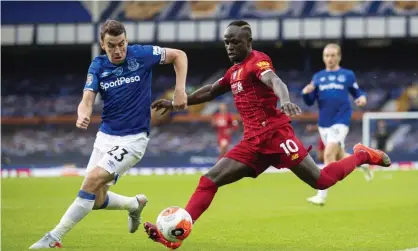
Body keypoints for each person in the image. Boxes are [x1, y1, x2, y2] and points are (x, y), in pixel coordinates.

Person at [144, 20, 391, 249]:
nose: (230, 46)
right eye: (226, 42)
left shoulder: (258, 61)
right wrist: (177, 102)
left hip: (276, 136)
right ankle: (179, 234)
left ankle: (361, 155)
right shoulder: (233, 72)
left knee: (321, 181)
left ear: (248, 43)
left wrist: (284, 100)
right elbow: (210, 91)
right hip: (252, 143)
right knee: (208, 181)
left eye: (235, 42)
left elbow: (275, 81)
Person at [29, 19, 188, 249]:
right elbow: (86, 100)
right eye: (112, 45)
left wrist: (180, 90)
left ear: (127, 41)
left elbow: (179, 55)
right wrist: (82, 113)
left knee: (91, 182)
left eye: (121, 44)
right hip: (105, 137)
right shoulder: (98, 65)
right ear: (103, 45)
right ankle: (134, 204)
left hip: (133, 139)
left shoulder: (141, 54)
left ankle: (53, 237)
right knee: (96, 199)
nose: (118, 50)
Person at [301, 43, 372, 206]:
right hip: (324, 122)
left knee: (328, 155)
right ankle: (361, 162)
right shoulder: (318, 77)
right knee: (339, 156)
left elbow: (357, 92)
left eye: (333, 55)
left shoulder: (347, 75)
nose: (330, 58)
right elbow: (310, 101)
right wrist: (305, 93)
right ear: (323, 58)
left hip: (341, 119)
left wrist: (362, 97)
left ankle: (321, 195)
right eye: (327, 55)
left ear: (339, 57)